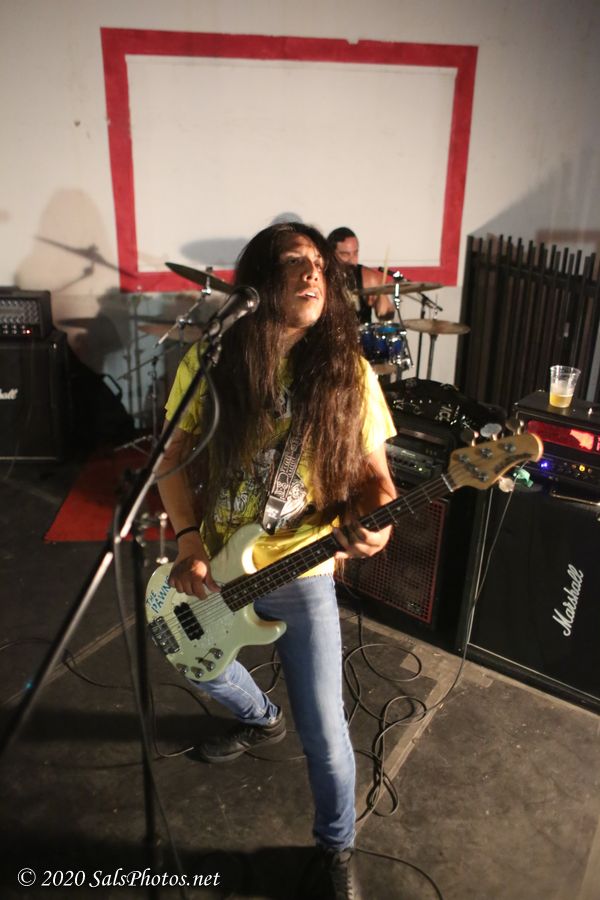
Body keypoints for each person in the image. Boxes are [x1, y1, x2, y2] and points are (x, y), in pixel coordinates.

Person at [156, 221, 397, 899]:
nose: (313, 272)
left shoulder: (347, 372)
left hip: (301, 567)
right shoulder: (213, 361)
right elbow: (170, 457)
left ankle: (336, 848)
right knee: (195, 660)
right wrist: (189, 543)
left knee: (325, 729)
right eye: (295, 260)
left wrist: (375, 528)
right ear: (260, 280)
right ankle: (261, 716)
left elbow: (378, 482)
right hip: (215, 563)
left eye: (319, 263)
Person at [327, 226, 394, 322]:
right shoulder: (320, 277)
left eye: (355, 253)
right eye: (345, 254)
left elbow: (386, 316)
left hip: (360, 330)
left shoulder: (368, 277)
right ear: (331, 254)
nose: (352, 260)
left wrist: (380, 296)